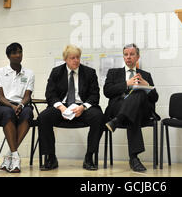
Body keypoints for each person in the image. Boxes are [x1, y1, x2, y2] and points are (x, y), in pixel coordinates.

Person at [38, 45, 104, 171]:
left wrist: (83, 107)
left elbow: (94, 96)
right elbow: (50, 94)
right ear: (65, 59)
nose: (76, 60)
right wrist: (61, 107)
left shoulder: (89, 72)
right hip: (62, 107)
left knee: (98, 117)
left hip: (82, 107)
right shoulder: (56, 72)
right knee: (43, 117)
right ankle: (51, 157)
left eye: (78, 57)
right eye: (72, 58)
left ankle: (89, 156)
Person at [104, 43, 159, 172]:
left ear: (138, 57)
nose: (128, 57)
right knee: (133, 114)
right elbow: (107, 91)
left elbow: (155, 98)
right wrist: (126, 84)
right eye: (126, 54)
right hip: (119, 107)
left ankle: (117, 121)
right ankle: (134, 158)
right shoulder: (113, 73)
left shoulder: (146, 75)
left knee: (139, 92)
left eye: (132, 54)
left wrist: (146, 86)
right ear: (123, 57)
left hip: (141, 109)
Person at [0, 43, 35, 173]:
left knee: (28, 113)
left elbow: (27, 96)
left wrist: (21, 105)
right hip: (4, 105)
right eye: (14, 53)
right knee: (8, 113)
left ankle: (9, 155)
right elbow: (0, 96)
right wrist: (12, 106)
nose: (18, 55)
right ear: (8, 56)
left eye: (20, 52)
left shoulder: (29, 73)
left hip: (22, 105)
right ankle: (15, 157)